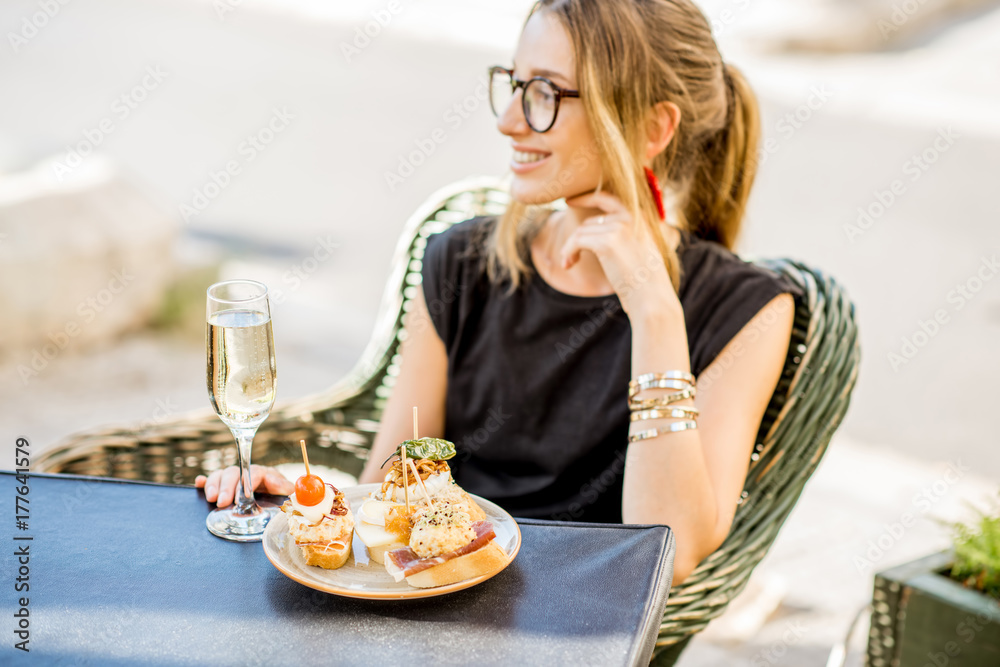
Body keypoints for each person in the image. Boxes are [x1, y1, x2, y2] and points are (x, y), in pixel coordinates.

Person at [197, 0, 802, 586]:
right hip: (436, 600)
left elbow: (668, 555)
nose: (509, 120)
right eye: (514, 85)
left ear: (652, 127)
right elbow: (390, 490)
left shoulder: (747, 310)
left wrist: (653, 309)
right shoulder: (460, 261)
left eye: (545, 94)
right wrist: (312, 501)